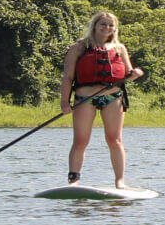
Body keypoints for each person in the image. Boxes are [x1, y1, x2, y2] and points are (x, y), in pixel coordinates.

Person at [61, 11, 146, 189]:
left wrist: (136, 74)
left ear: (115, 28)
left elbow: (128, 75)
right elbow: (68, 78)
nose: (106, 27)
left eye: (110, 25)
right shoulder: (79, 48)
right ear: (95, 25)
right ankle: (74, 180)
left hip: (113, 97)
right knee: (81, 140)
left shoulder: (119, 48)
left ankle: (120, 181)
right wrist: (65, 102)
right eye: (103, 24)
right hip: (85, 98)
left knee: (114, 140)